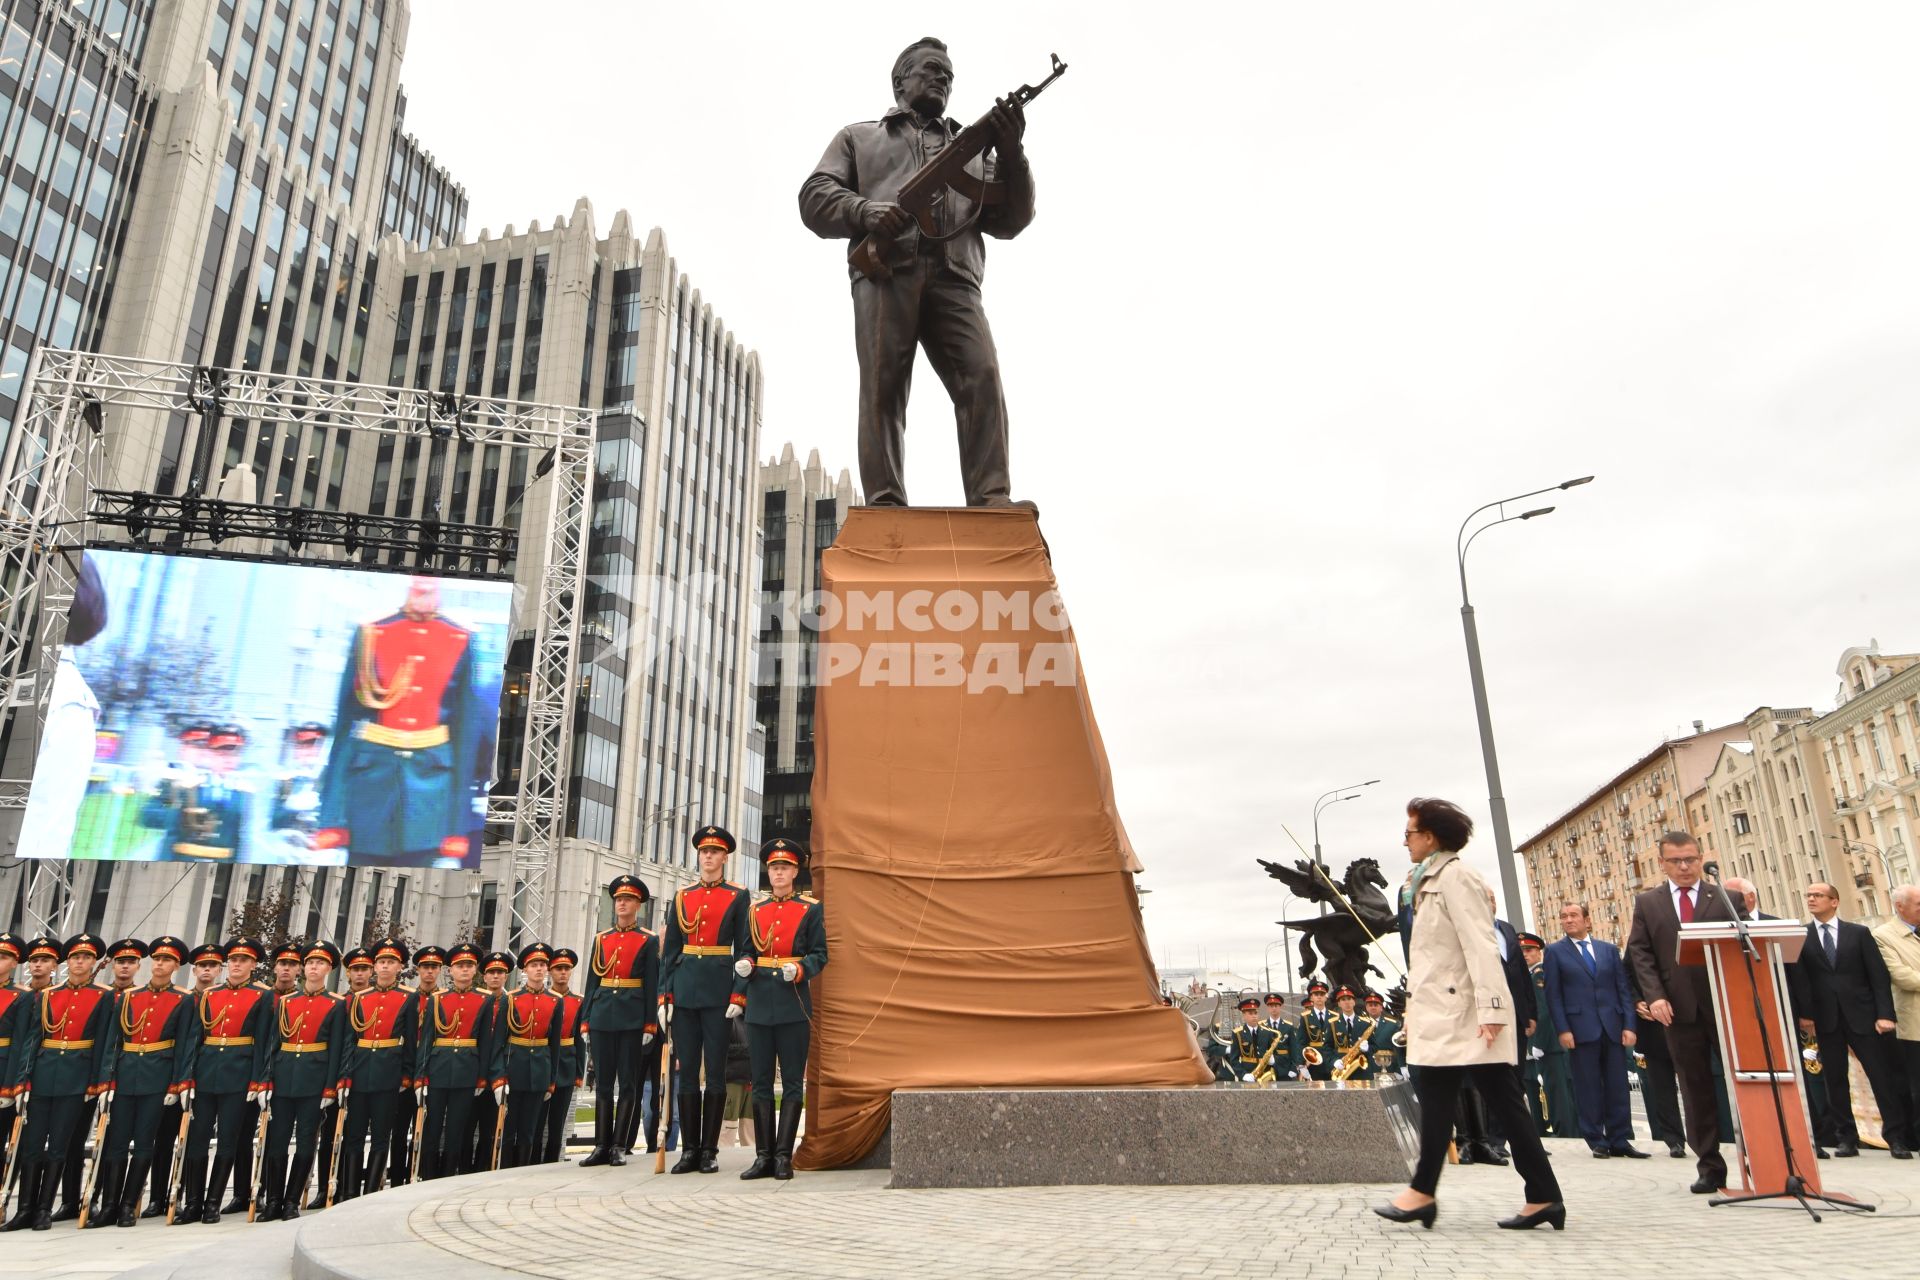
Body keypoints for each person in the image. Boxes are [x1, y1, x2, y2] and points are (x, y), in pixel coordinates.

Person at [798, 37, 1037, 509]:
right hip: (888, 271)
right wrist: (865, 211)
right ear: (900, 80)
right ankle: (885, 501)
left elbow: (1013, 219)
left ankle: (992, 498)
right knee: (883, 386)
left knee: (982, 376)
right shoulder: (859, 137)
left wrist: (1013, 155)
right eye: (932, 69)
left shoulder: (972, 152)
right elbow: (813, 196)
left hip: (957, 279)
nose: (943, 78)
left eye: (949, 74)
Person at [1374, 798, 1563, 1232]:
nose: (1405, 842)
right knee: (1445, 1102)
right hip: (1441, 1011)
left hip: (1467, 1013)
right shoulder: (1421, 883)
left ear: (1431, 837)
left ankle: (1539, 1196)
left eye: (1409, 833)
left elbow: (1482, 945)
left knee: (1501, 1104)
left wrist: (1494, 1008)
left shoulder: (1457, 878)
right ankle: (1538, 1195)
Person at [314, 576, 482, 868]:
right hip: (370, 781)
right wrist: (331, 817)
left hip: (431, 783)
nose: (424, 588)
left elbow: (465, 739)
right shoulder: (372, 633)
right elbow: (344, 729)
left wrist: (456, 825)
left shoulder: (460, 638)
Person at [1625, 830, 1737, 1193]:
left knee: (1743, 1085)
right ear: (1662, 864)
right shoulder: (1649, 903)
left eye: (1691, 859)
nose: (1685, 867)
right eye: (1676, 861)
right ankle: (1709, 1166)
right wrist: (1654, 996)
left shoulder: (1725, 898)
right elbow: (1640, 953)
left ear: (1701, 857)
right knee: (1695, 1088)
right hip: (1676, 1011)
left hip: (1725, 1008)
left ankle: (1761, 1158)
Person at [1788, 882, 1911, 1158]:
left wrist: (1884, 1015)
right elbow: (1801, 980)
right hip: (1825, 1019)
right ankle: (1846, 1138)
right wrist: (1805, 1015)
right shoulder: (1801, 936)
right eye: (1808, 896)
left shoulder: (1859, 933)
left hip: (1864, 1017)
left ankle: (1896, 1138)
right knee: (1835, 1080)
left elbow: (1878, 976)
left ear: (1834, 901)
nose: (1811, 899)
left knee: (1881, 1077)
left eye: (1818, 895)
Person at [3, 934, 116, 1233]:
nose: (80, 962)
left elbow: (104, 1041)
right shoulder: (47, 995)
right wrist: (22, 1081)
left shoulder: (103, 995)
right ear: (67, 962)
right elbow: (32, 1040)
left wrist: (97, 1082)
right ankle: (25, 1208)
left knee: (59, 1147)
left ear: (93, 963)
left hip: (76, 1078)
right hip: (42, 1075)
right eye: (76, 957)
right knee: (31, 1145)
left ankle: (43, 1209)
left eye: (86, 958)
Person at [660, 825, 751, 1175]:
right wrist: (664, 996)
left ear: (725, 857)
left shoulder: (737, 895)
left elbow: (744, 948)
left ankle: (710, 1149)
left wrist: (738, 993)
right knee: (686, 1076)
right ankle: (689, 1150)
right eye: (703, 852)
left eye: (714, 852)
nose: (708, 857)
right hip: (684, 992)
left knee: (714, 1073)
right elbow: (670, 951)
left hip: (717, 993)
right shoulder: (683, 896)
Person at [736, 838, 827, 1181]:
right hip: (759, 1003)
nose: (778, 873)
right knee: (759, 1082)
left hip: (793, 1003)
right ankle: (763, 1156)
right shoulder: (755, 911)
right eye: (774, 867)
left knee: (791, 1082)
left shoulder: (809, 909)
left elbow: (821, 953)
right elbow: (746, 949)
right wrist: (745, 963)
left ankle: (784, 1156)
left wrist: (802, 969)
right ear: (768, 872)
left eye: (785, 867)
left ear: (794, 871)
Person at [89, 936, 192, 1229]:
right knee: (117, 1144)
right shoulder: (128, 997)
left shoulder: (182, 1000)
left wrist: (176, 1085)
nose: (160, 964)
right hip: (124, 1076)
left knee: (145, 1143)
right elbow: (113, 1042)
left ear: (175, 965)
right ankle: (109, 1204)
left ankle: (128, 1204)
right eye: (157, 959)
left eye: (167, 960)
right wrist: (106, 1081)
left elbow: (183, 1045)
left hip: (157, 1078)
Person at [174, 938, 272, 1225]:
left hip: (239, 1076)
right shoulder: (210, 995)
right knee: (197, 1140)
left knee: (227, 1141)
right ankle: (193, 1202)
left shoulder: (262, 995)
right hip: (205, 1074)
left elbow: (263, 1041)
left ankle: (213, 1202)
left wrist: (257, 1081)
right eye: (234, 959)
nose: (238, 964)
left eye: (244, 960)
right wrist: (186, 1079)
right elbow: (195, 1038)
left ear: (254, 965)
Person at [1542, 903, 1644, 1158]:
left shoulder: (1608, 950)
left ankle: (1621, 1140)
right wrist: (1563, 1029)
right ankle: (1596, 1139)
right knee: (1588, 1087)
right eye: (1563, 916)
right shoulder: (1555, 952)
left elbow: (1623, 990)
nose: (1568, 920)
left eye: (1573, 915)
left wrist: (1630, 1025)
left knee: (1618, 1086)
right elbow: (1553, 995)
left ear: (1587, 920)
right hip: (1579, 1030)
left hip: (1613, 1027)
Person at [257, 942, 345, 1221]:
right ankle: (273, 1200)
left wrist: (330, 1086)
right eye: (309, 963)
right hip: (283, 1079)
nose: (314, 968)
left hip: (314, 1081)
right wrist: (266, 1082)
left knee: (307, 1142)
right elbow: (274, 1044)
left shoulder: (337, 1004)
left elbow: (337, 1049)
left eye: (320, 964)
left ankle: (292, 1200)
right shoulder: (286, 1002)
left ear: (329, 968)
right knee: (277, 1143)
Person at [579, 875, 659, 1167]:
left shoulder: (648, 940)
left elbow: (652, 984)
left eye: (628, 899)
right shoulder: (602, 939)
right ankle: (601, 1144)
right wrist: (586, 1019)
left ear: (638, 904)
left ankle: (619, 1145)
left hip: (631, 1017)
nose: (622, 903)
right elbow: (592, 982)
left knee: (627, 1084)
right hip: (602, 1015)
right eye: (618, 899)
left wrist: (650, 1024)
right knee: (602, 1083)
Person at [413, 944, 504, 1180]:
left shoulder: (483, 999)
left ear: (475, 971)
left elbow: (485, 1042)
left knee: (456, 1128)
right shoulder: (437, 999)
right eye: (459, 966)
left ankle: (448, 1175)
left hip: (467, 1071)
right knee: (432, 1128)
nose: (464, 970)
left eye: (469, 966)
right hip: (438, 1068)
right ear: (450, 971)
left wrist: (482, 1077)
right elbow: (427, 1041)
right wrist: (420, 1078)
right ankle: (428, 1175)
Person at [336, 939, 414, 1201]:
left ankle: (370, 1193)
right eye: (381, 962)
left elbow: (412, 1041)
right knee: (354, 1134)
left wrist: (406, 1074)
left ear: (399, 966)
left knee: (381, 1135)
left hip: (388, 1073)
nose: (385, 966)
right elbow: (349, 1040)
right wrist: (345, 1075)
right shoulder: (359, 998)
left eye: (390, 962)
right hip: (359, 1072)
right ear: (374, 966)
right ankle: (349, 1192)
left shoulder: (408, 997)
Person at [141, 724, 255, 863]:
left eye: (234, 754)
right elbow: (149, 817)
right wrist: (179, 811)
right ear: (211, 755)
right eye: (222, 754)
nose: (228, 759)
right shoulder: (183, 783)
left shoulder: (244, 792)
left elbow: (241, 839)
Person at [499, 942, 562, 1168]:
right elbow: (500, 1041)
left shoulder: (555, 1000)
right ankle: (505, 1169)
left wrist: (551, 1080)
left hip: (539, 1070)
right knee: (509, 1128)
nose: (539, 969)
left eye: (543, 965)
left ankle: (523, 1171)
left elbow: (555, 1045)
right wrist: (499, 1077)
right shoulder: (512, 998)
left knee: (529, 1129)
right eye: (534, 965)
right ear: (525, 969)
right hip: (514, 1068)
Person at [388, 945, 445, 1186]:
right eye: (424, 967)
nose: (429, 972)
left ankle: (425, 1174)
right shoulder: (407, 999)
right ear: (418, 970)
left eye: (434, 967)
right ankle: (398, 1177)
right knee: (400, 1129)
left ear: (440, 970)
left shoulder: (445, 999)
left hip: (434, 1070)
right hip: (406, 1072)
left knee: (430, 1129)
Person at [1871, 884, 1920, 1155]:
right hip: (1912, 1024)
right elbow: (1901, 976)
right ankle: (1914, 1137)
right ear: (1899, 907)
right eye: (1918, 905)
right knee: (1914, 1086)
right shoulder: (1883, 936)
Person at [543, 948, 586, 1163]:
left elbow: (580, 1039)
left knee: (557, 1122)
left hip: (566, 1063)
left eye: (566, 969)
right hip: (544, 1061)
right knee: (538, 1120)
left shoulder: (578, 1001)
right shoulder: (544, 998)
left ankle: (552, 1161)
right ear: (550, 972)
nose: (562, 973)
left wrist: (579, 1071)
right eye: (558, 968)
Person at [1227, 996, 1280, 1082]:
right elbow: (1234, 1059)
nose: (1254, 1016)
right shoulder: (1237, 1033)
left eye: (1255, 1013)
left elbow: (1276, 1053)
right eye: (1250, 1013)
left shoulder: (1267, 1032)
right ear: (1244, 1015)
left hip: (1266, 1074)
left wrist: (1273, 1060)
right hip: (1248, 1074)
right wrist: (1243, 1075)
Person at [1330, 986, 1374, 1081]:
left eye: (1349, 999)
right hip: (1341, 1069)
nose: (1347, 1002)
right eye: (1343, 1000)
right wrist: (1334, 1061)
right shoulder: (1332, 1024)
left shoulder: (1366, 1023)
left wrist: (1367, 1049)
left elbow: (1374, 1046)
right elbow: (1326, 1048)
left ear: (1354, 1002)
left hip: (1361, 1070)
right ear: (1339, 1004)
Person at [723, 1015, 752, 1148]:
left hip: (752, 1079)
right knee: (728, 1126)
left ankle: (752, 1155)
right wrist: (750, 1050)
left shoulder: (753, 1017)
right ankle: (722, 1154)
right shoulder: (728, 1018)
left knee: (750, 1129)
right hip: (732, 1079)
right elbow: (722, 1049)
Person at [1364, 991, 1404, 1079]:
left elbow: (1399, 1049)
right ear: (1366, 1007)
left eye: (1376, 1005)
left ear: (1381, 1007)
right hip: (1366, 1071)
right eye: (1370, 1005)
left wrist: (1399, 1069)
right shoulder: (1360, 1023)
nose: (1373, 1007)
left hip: (1389, 1071)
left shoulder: (1392, 1025)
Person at [1298, 981, 1333, 1079]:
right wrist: (1302, 1064)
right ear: (1311, 997)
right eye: (1316, 994)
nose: (1319, 997)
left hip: (1331, 1061)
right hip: (1313, 1062)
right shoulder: (1305, 1017)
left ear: (1326, 997)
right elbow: (1301, 1042)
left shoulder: (1335, 1016)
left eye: (1322, 994)